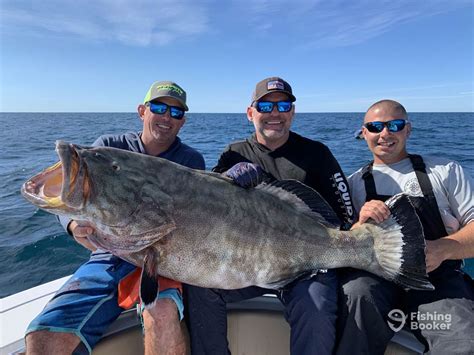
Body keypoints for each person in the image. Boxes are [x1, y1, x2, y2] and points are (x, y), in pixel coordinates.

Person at [25, 81, 205, 355]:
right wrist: (72, 225)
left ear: (183, 122)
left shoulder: (191, 160)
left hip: (161, 258)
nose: (167, 117)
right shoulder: (107, 147)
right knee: (44, 335)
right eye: (159, 107)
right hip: (108, 256)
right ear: (142, 111)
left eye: (176, 112)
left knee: (163, 314)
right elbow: (69, 196)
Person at [184, 76, 355, 355]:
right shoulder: (233, 153)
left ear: (292, 112)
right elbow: (209, 208)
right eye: (265, 105)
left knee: (317, 309)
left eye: (283, 105)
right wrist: (223, 180)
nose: (275, 113)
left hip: (305, 265)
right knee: (200, 288)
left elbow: (345, 215)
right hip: (249, 262)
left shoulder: (317, 154)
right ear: (250, 113)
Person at [336, 99, 474, 354]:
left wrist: (442, 249)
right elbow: (343, 243)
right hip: (376, 280)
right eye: (376, 126)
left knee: (461, 344)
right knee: (354, 298)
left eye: (395, 125)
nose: (385, 133)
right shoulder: (352, 184)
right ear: (364, 132)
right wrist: (359, 224)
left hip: (437, 283)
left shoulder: (445, 171)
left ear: (408, 130)